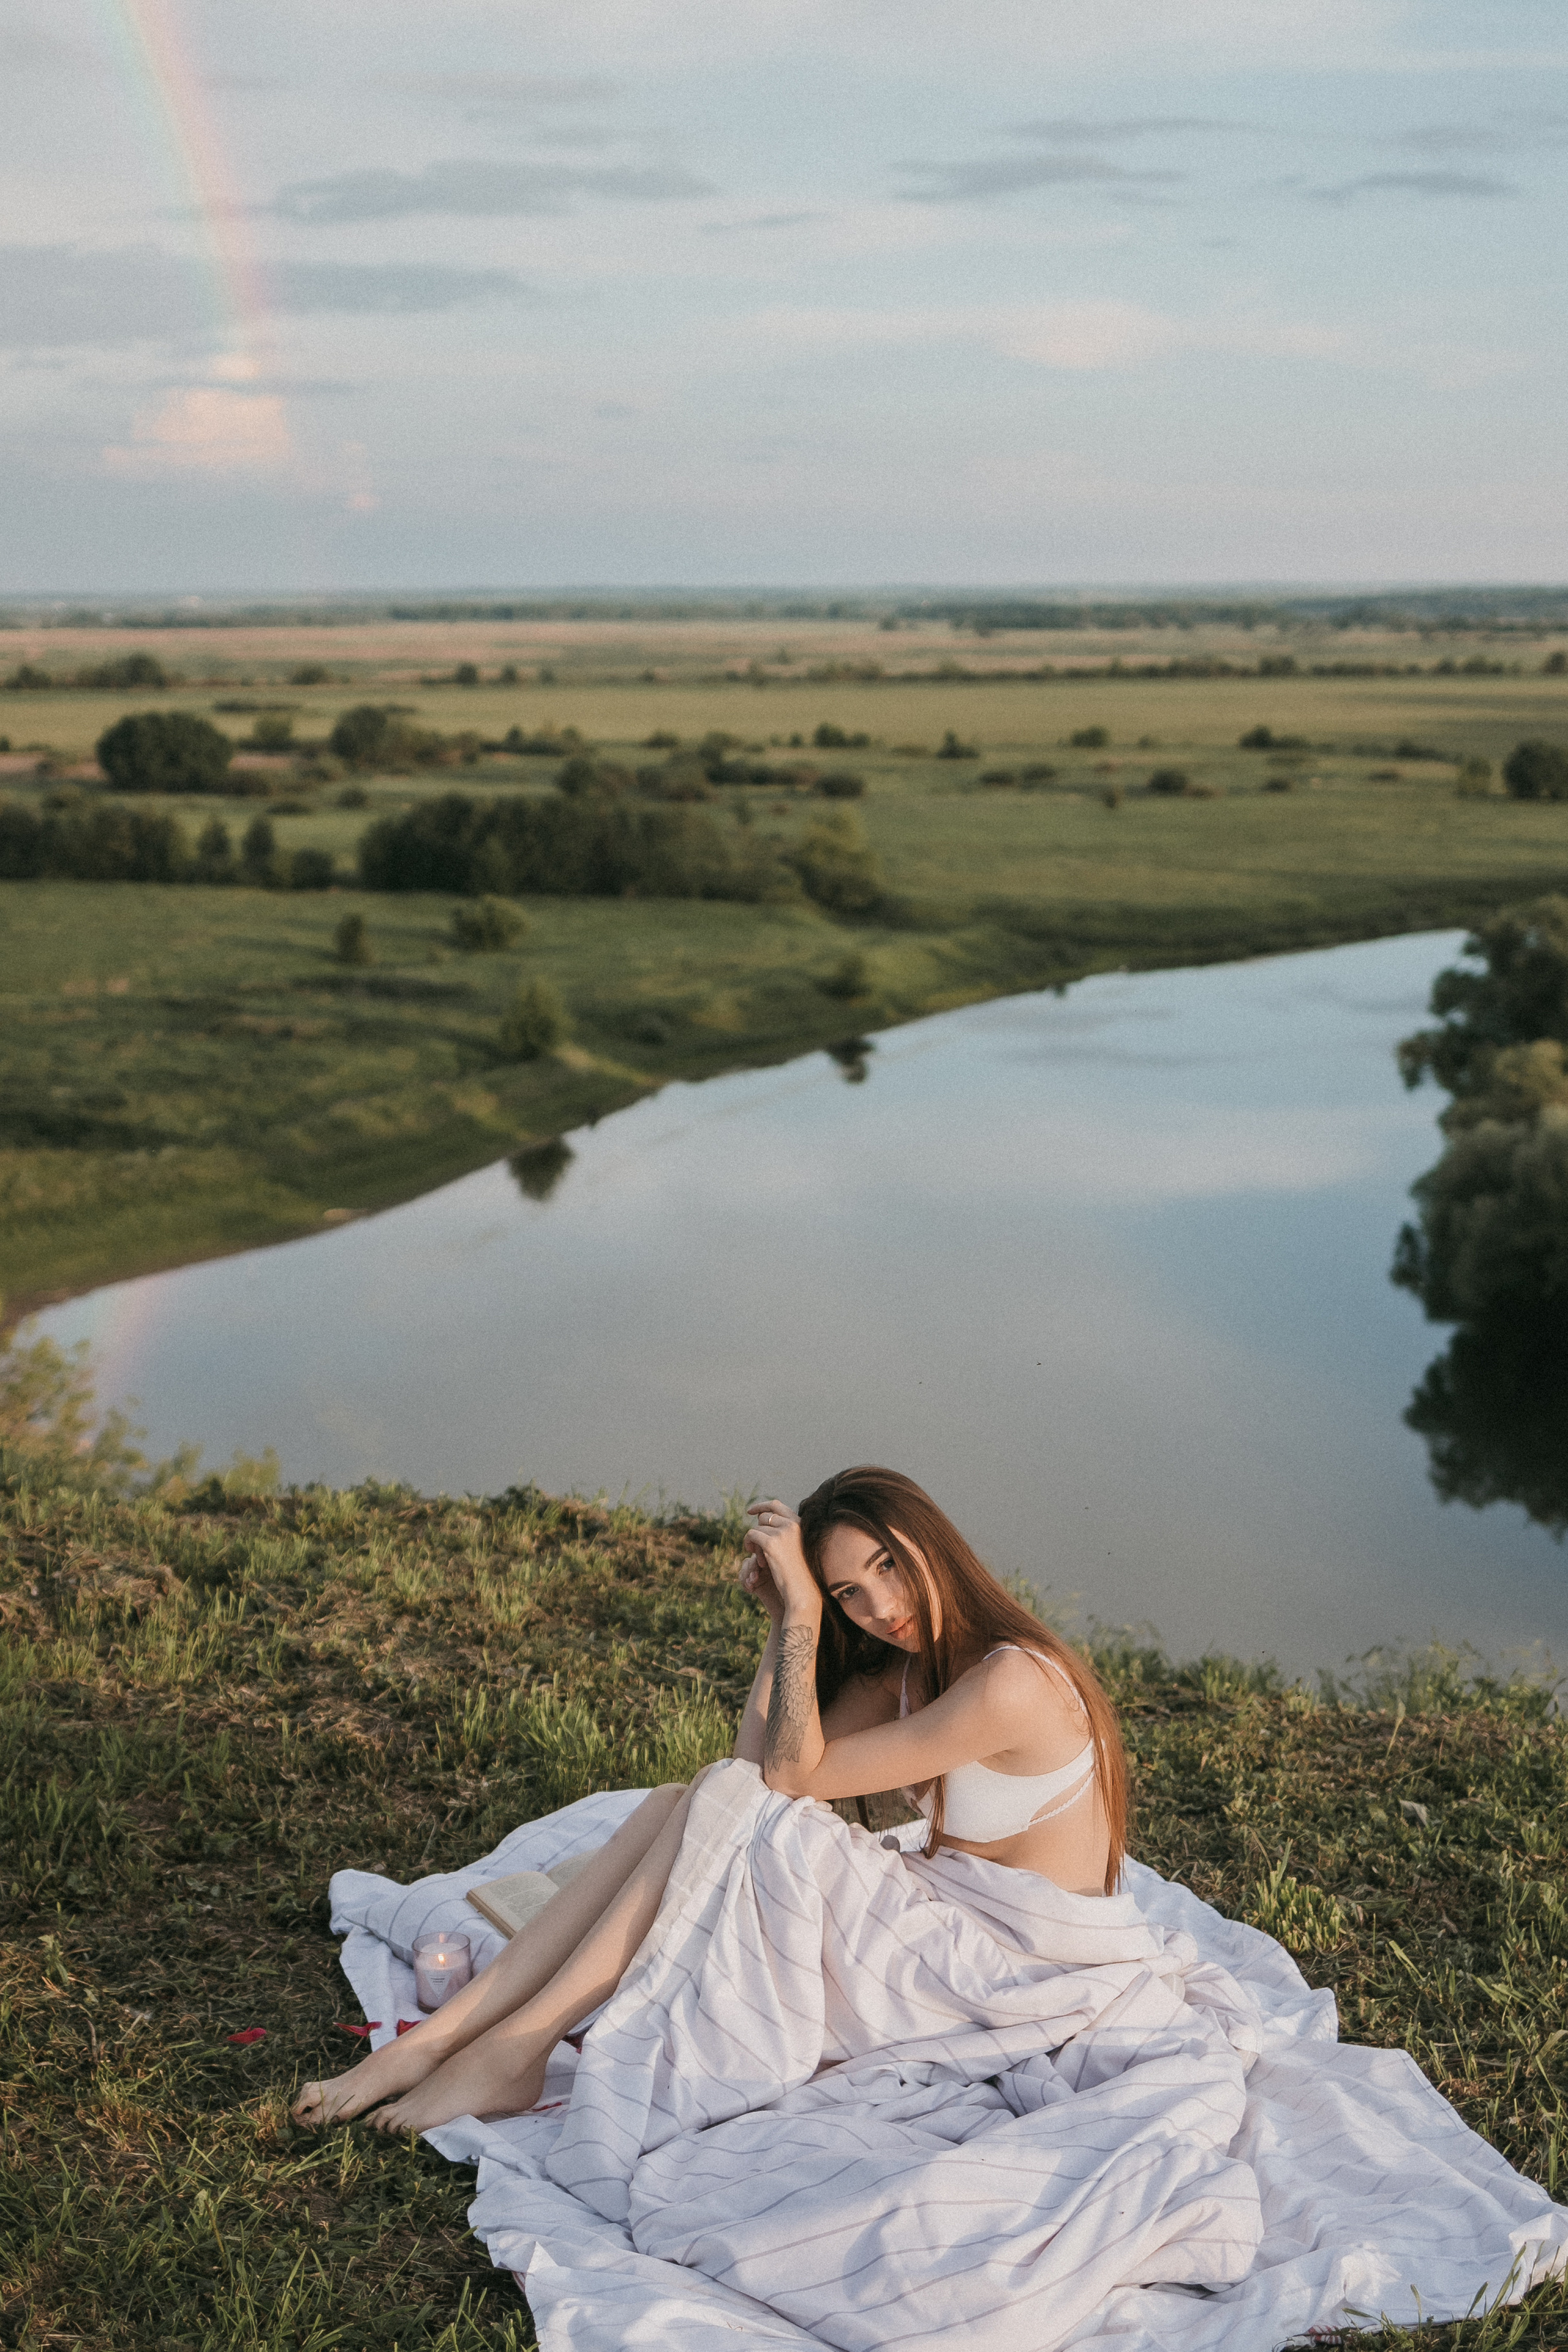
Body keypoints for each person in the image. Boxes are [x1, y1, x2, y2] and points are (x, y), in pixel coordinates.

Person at [292, 1464, 1128, 2135]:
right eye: (845, 1594)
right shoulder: (904, 1671)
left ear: (931, 1542)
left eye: (886, 1567)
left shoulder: (1013, 1683)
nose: (880, 1608)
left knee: (711, 1803)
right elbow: (749, 1772)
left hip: (1013, 1971)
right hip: (949, 1925)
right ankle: (442, 2043)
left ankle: (511, 2047)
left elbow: (782, 1782)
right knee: (676, 1800)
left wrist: (804, 1607)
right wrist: (780, 1622)